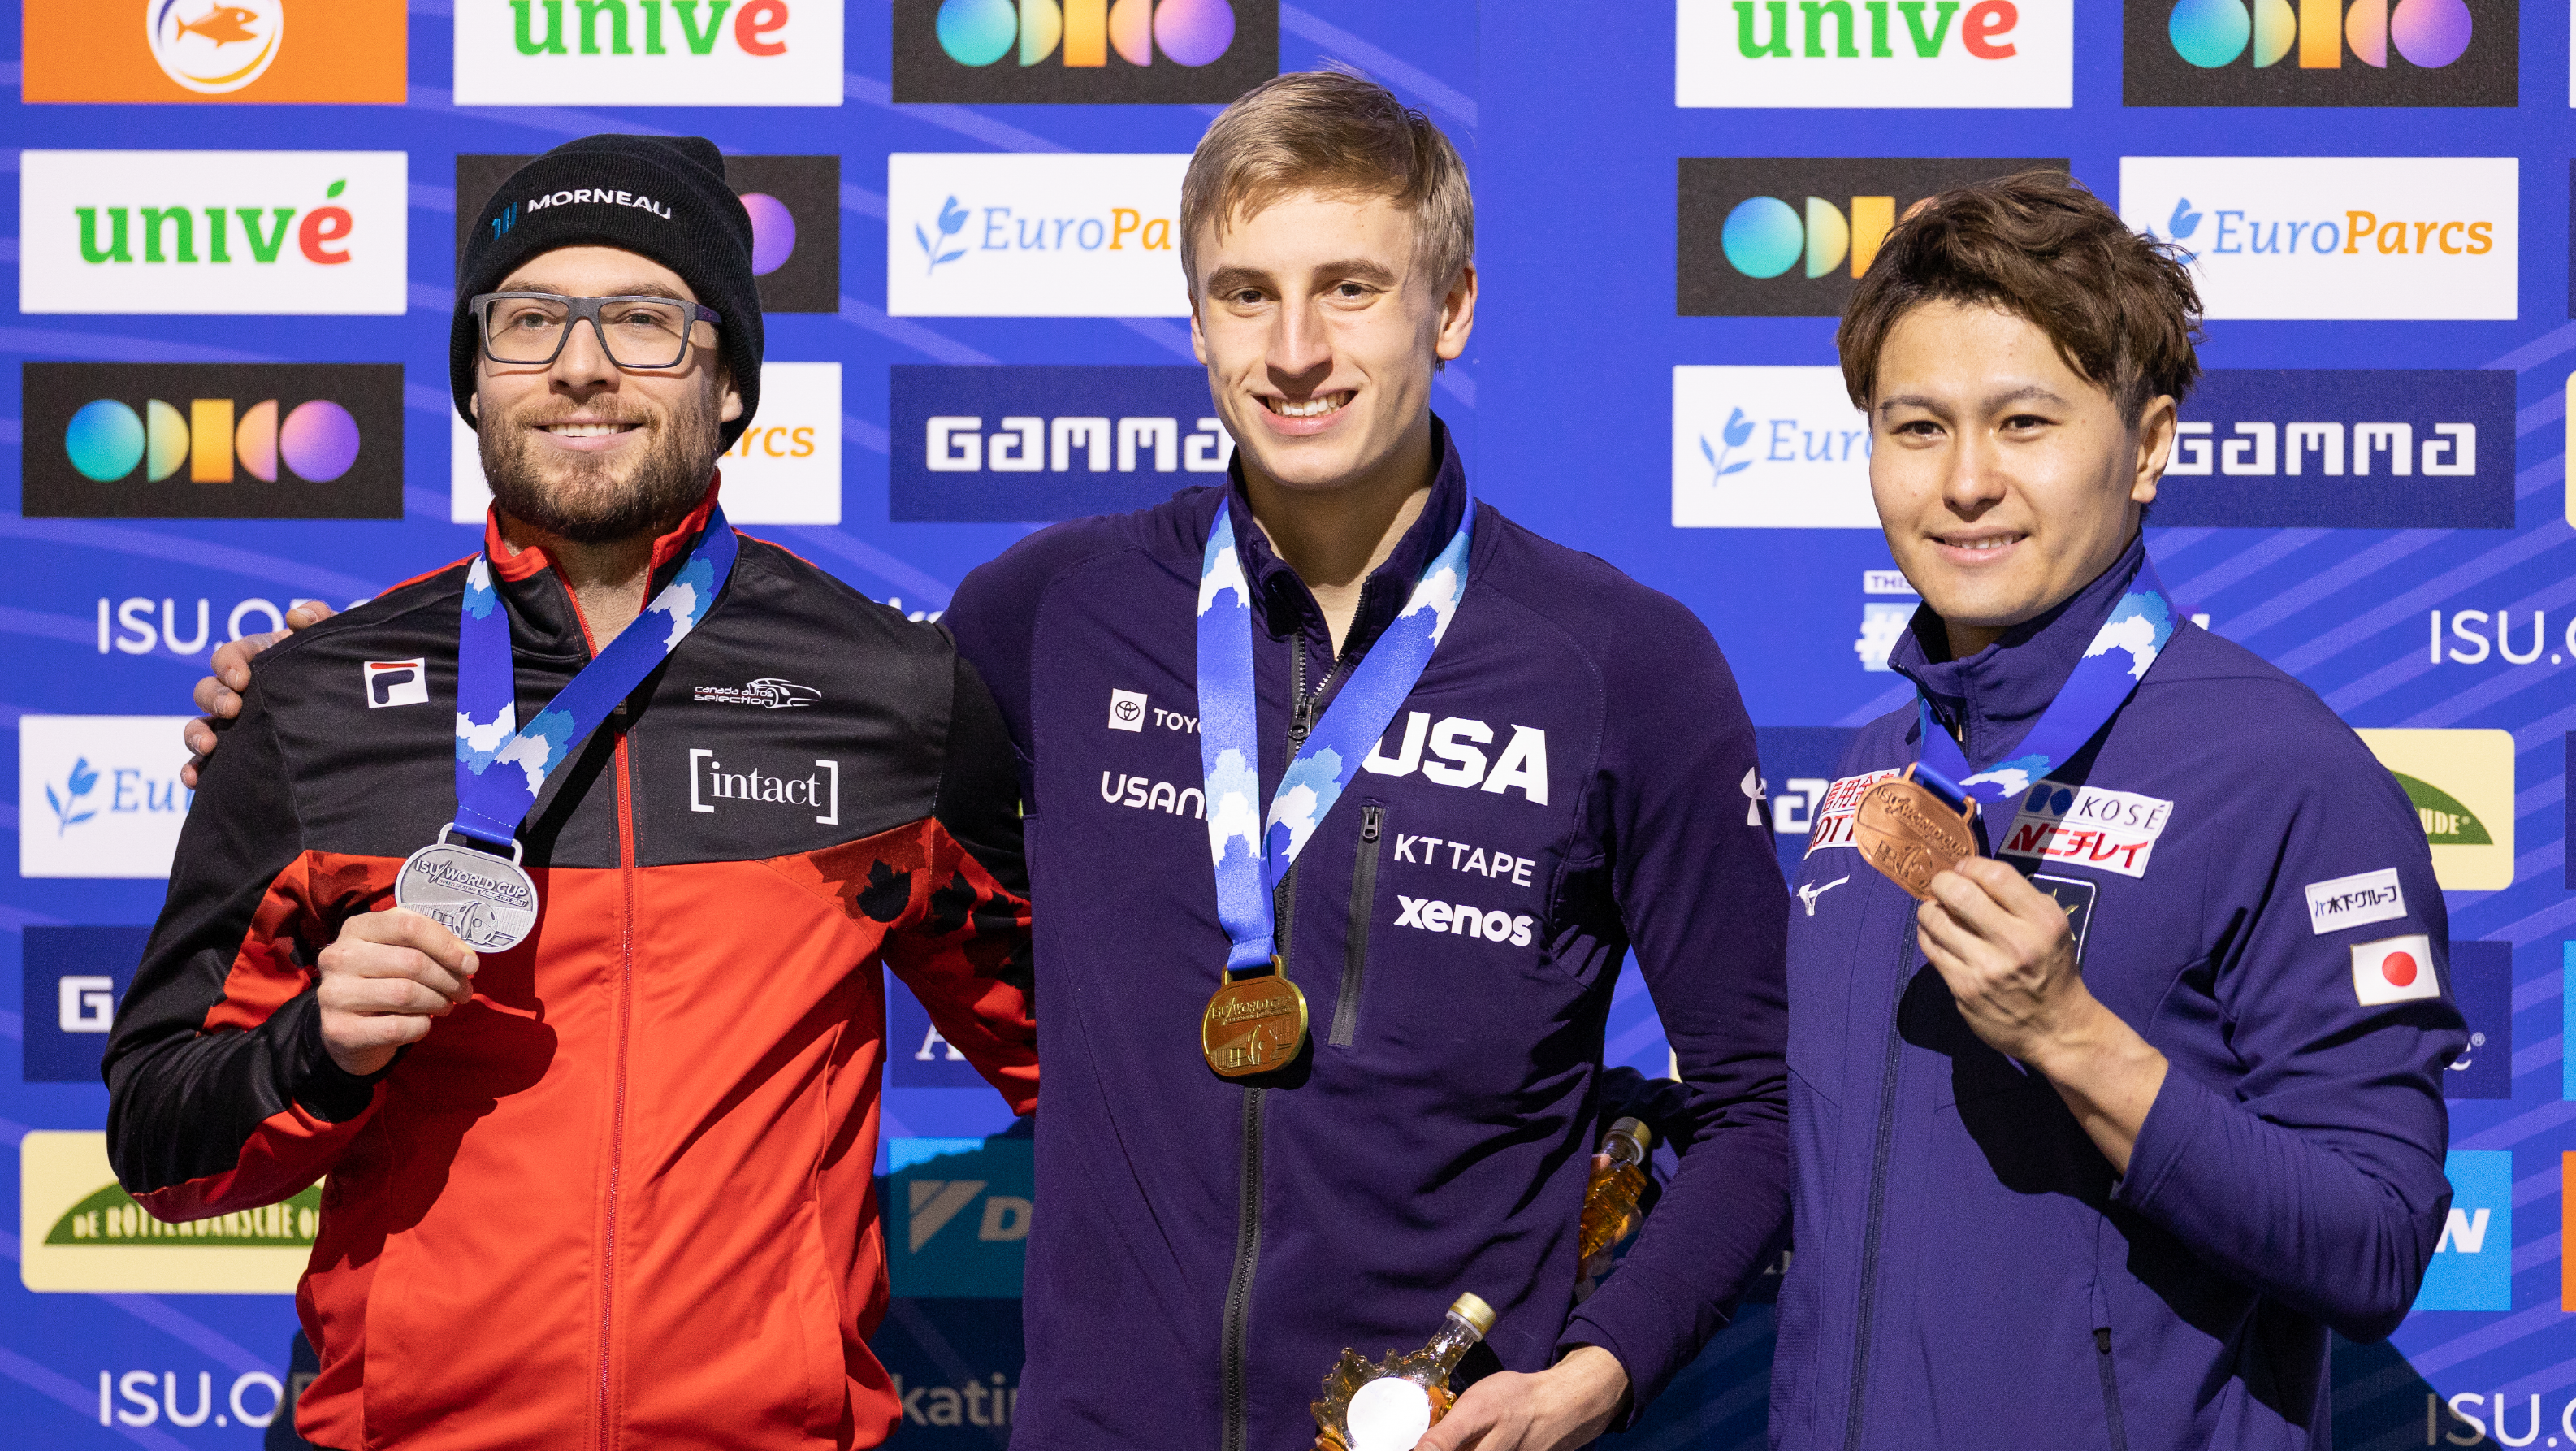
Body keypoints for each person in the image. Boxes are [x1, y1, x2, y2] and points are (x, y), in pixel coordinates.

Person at [188, 75, 1791, 1451]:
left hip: (1439, 1414)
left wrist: (1599, 1364)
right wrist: (334, 712)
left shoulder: (1618, 661)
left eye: (1351, 288)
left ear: (1448, 309)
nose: (1295, 347)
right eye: (1246, 293)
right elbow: (727, 707)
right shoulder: (1057, 607)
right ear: (1196, 322)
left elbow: (1758, 1104)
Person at [117, 135, 1039, 1451]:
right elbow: (162, 1148)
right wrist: (316, 1049)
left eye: (647, 320)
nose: (582, 363)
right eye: (530, 319)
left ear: (727, 385)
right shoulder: (312, 701)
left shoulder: (895, 693)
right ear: (475, 381)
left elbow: (1092, 1072)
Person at [1773, 171, 2466, 1450]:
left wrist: (2075, 1037)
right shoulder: (1872, 773)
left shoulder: (2282, 770)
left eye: (2024, 423)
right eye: (1915, 427)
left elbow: (2374, 1240)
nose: (1964, 482)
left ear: (2146, 445)